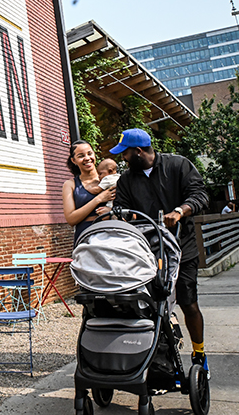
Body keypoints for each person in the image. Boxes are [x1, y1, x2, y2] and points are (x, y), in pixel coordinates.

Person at [110, 128, 211, 378]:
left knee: (188, 303)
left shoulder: (178, 166)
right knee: (150, 306)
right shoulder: (126, 180)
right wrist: (124, 214)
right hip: (145, 253)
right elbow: (119, 206)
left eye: (125, 153)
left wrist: (180, 211)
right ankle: (155, 354)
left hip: (181, 248)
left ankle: (199, 353)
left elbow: (200, 195)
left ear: (139, 152)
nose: (122, 158)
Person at [63, 140, 116, 244]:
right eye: (81, 156)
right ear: (74, 160)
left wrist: (111, 212)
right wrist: (98, 199)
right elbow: (71, 219)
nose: (87, 158)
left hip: (109, 232)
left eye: (89, 153)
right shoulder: (70, 184)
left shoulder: (111, 178)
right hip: (85, 235)